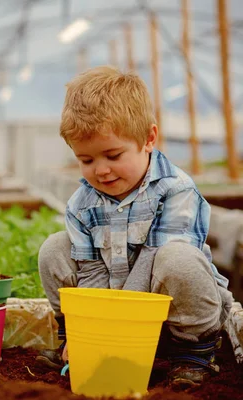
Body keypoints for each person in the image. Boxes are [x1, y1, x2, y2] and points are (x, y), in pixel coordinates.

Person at [37, 66, 233, 387]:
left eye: (113, 155)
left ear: (149, 139)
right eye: (86, 160)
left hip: (173, 321)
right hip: (115, 316)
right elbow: (91, 273)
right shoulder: (81, 204)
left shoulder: (176, 190)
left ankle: (193, 354)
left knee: (176, 259)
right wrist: (90, 329)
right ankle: (74, 342)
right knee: (55, 249)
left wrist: (113, 329)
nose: (101, 170)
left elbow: (150, 263)